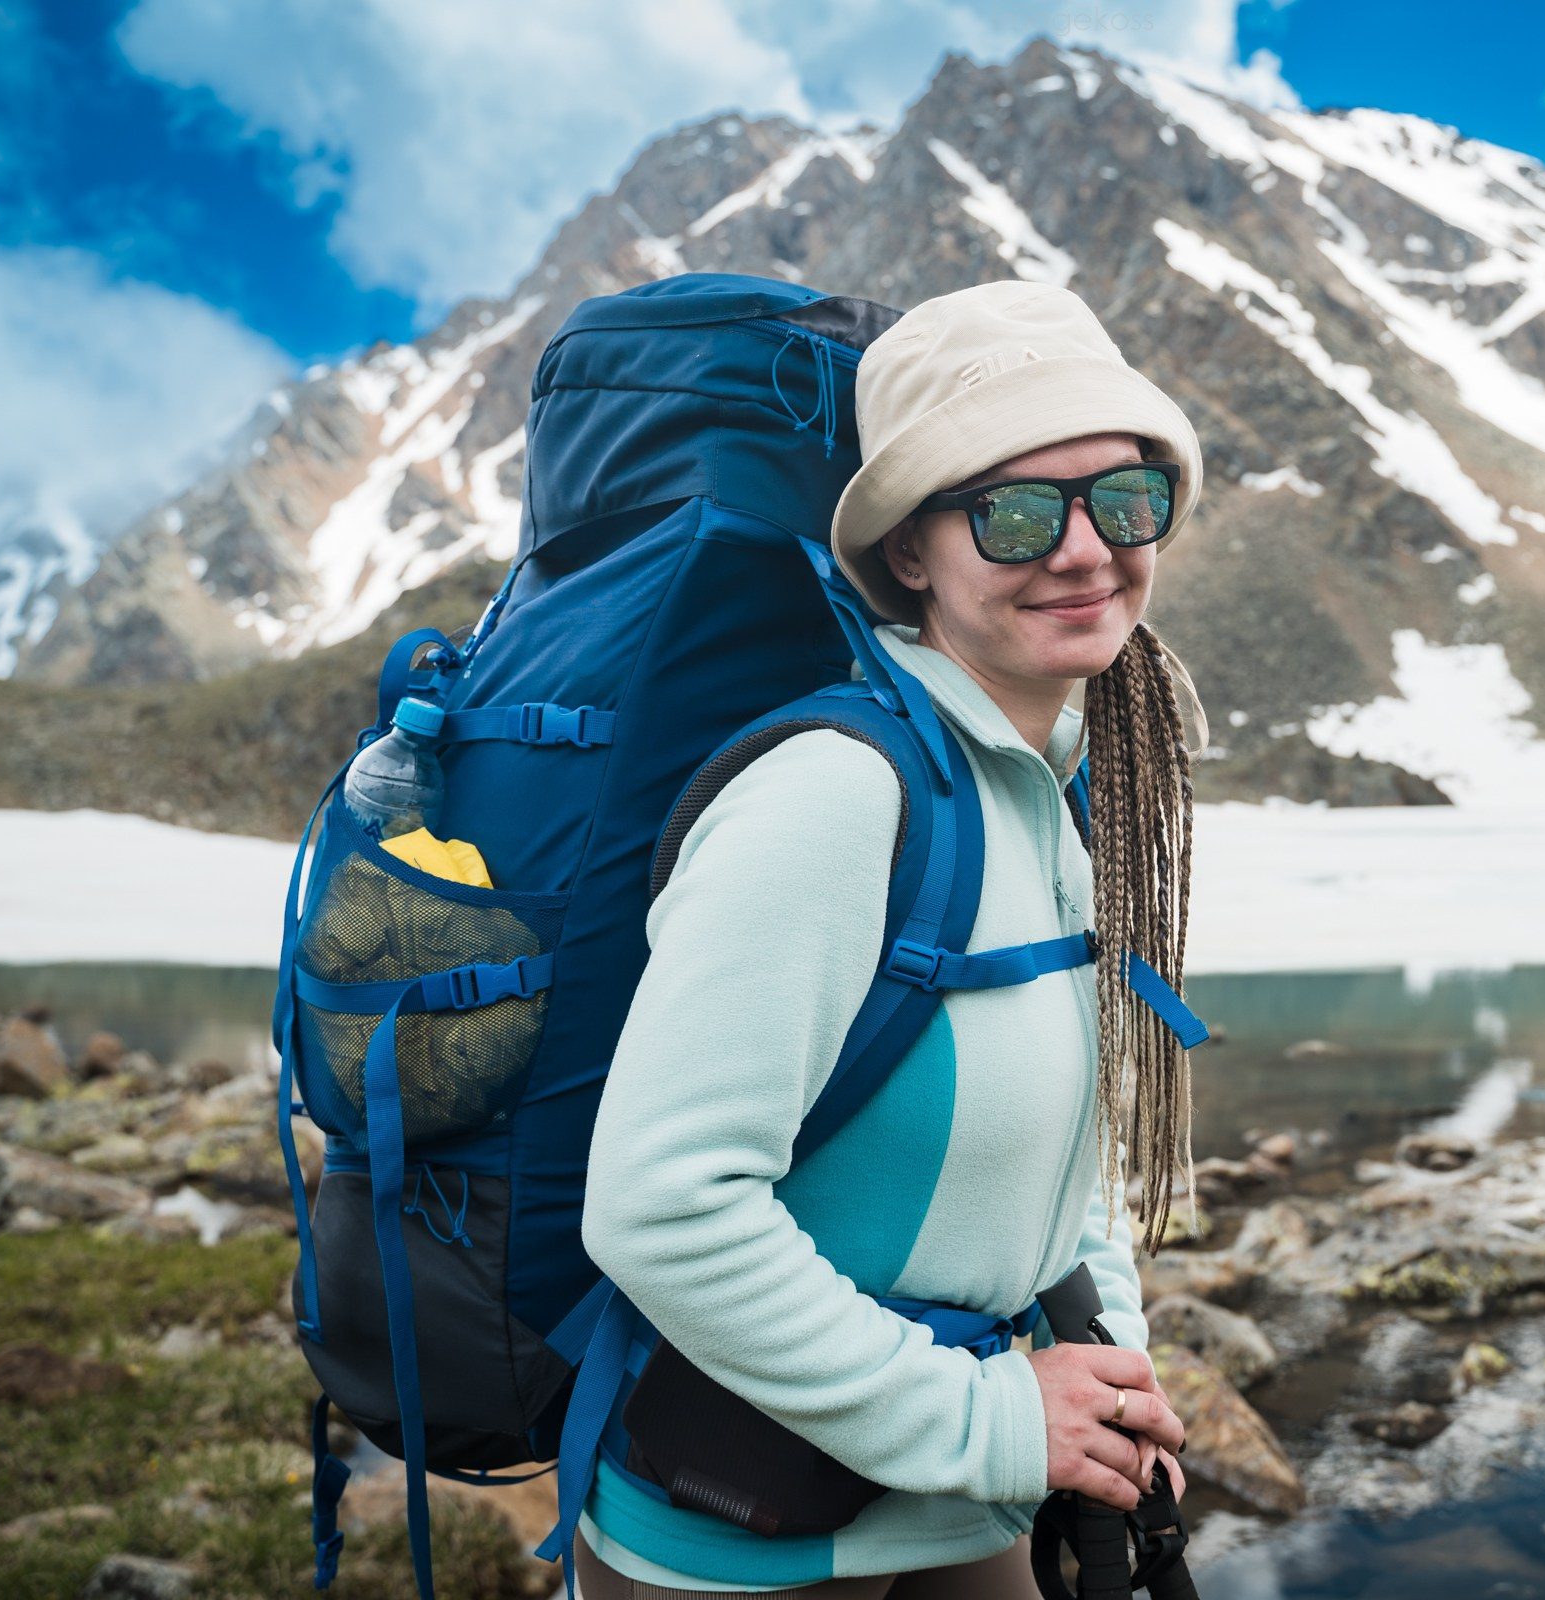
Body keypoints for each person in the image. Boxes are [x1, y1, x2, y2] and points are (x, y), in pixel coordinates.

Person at [576, 279, 1209, 1598]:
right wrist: (991, 1420)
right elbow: (661, 1206)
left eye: (1125, 498)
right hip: (750, 1531)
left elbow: (1072, 1164)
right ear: (910, 553)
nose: (1085, 551)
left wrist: (1109, 1386)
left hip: (965, 1503)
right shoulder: (834, 796)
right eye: (1016, 512)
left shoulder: (1055, 790)